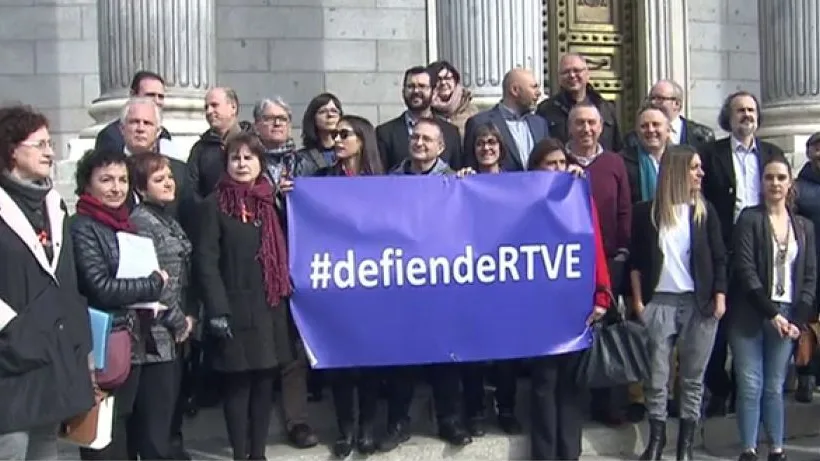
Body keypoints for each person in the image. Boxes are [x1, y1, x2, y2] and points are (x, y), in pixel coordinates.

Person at [282, 114, 385, 458]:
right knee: (339, 360)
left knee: (369, 361)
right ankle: (346, 430)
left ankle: (367, 429)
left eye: (344, 134)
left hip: (374, 283)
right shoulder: (320, 181)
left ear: (361, 139)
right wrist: (288, 195)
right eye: (334, 133)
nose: (336, 139)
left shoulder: (383, 183)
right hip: (336, 283)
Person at [0, 105, 96, 460]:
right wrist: (13, 330)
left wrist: (80, 344)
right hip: (10, 359)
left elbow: (67, 280)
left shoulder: (54, 205)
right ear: (12, 149)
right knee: (11, 448)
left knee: (46, 448)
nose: (50, 152)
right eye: (39, 144)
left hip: (52, 354)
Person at [195, 131, 296, 461]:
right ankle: (241, 454)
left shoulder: (271, 202)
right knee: (238, 385)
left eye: (248, 158)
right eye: (235, 158)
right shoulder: (214, 204)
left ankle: (258, 453)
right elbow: (206, 261)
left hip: (269, 306)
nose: (241, 164)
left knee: (265, 382)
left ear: (261, 164)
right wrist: (217, 309)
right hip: (234, 308)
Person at [629, 145, 727, 461]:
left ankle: (685, 448)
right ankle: (655, 443)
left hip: (699, 304)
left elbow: (719, 257)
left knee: (692, 379)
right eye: (694, 167)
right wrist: (640, 303)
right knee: (657, 377)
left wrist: (720, 297)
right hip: (660, 302)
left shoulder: (704, 210)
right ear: (677, 170)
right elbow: (635, 262)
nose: (701, 173)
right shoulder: (648, 212)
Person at [71, 149, 169, 460]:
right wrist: (153, 284)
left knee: (125, 432)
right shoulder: (82, 226)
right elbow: (100, 286)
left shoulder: (124, 224)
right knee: (102, 435)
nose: (116, 188)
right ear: (87, 185)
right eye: (106, 180)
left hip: (130, 340)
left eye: (123, 180)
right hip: (101, 344)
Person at [526, 138, 611, 461]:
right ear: (535, 167)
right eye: (551, 163)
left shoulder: (578, 196)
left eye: (562, 163)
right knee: (544, 382)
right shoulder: (521, 198)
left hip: (574, 305)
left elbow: (595, 246)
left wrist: (601, 294)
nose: (558, 169)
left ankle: (569, 453)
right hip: (538, 307)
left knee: (571, 385)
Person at [729, 155, 816, 461]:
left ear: (790, 182)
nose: (775, 184)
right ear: (761, 183)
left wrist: (798, 320)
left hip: (788, 314)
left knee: (775, 386)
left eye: (781, 177)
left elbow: (809, 276)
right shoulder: (750, 219)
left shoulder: (803, 225)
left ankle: (777, 449)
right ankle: (749, 450)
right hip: (750, 314)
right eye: (769, 178)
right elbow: (746, 270)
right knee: (751, 384)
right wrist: (773, 314)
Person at [128, 152, 195, 459]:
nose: (169, 183)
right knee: (155, 425)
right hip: (156, 335)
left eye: (169, 177)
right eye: (159, 179)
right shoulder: (142, 222)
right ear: (140, 188)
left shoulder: (165, 216)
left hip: (173, 334)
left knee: (169, 417)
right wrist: (180, 321)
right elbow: (155, 280)